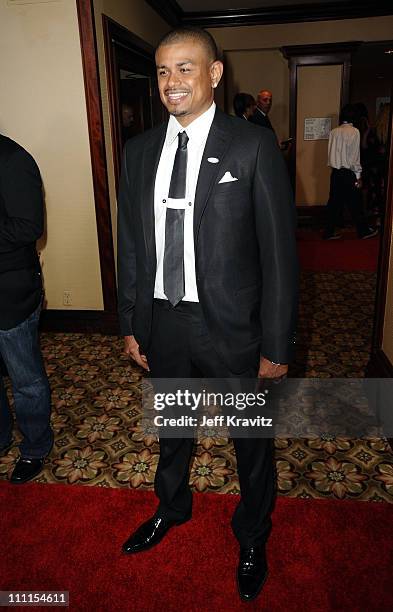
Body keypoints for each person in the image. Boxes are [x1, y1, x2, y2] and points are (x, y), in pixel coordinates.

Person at [117, 27, 298, 602]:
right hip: (164, 321)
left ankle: (252, 533)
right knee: (173, 428)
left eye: (186, 69)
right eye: (164, 71)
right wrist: (130, 321)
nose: (172, 82)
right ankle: (170, 508)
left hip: (233, 329)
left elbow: (278, 254)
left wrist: (277, 344)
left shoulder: (250, 145)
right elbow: (132, 244)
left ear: (214, 74)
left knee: (250, 440)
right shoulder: (139, 149)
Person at [0, 134, 53, 483]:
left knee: (25, 379)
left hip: (10, 292)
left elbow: (29, 226)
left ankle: (35, 447)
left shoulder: (12, 158)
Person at [323, 104, 378, 240]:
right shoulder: (354, 131)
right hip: (348, 173)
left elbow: (331, 154)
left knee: (333, 203)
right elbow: (354, 157)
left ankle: (328, 232)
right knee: (356, 203)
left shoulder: (334, 131)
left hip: (335, 173)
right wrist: (358, 176)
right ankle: (363, 231)